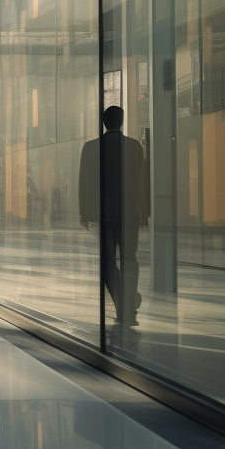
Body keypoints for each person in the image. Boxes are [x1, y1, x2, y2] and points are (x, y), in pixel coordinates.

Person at [78, 105, 150, 330]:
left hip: (104, 215)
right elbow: (141, 182)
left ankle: (121, 304)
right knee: (130, 260)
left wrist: (84, 212)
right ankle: (128, 304)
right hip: (129, 215)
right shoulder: (134, 147)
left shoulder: (90, 148)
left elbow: (85, 182)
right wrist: (144, 212)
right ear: (121, 121)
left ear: (103, 122)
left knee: (108, 261)